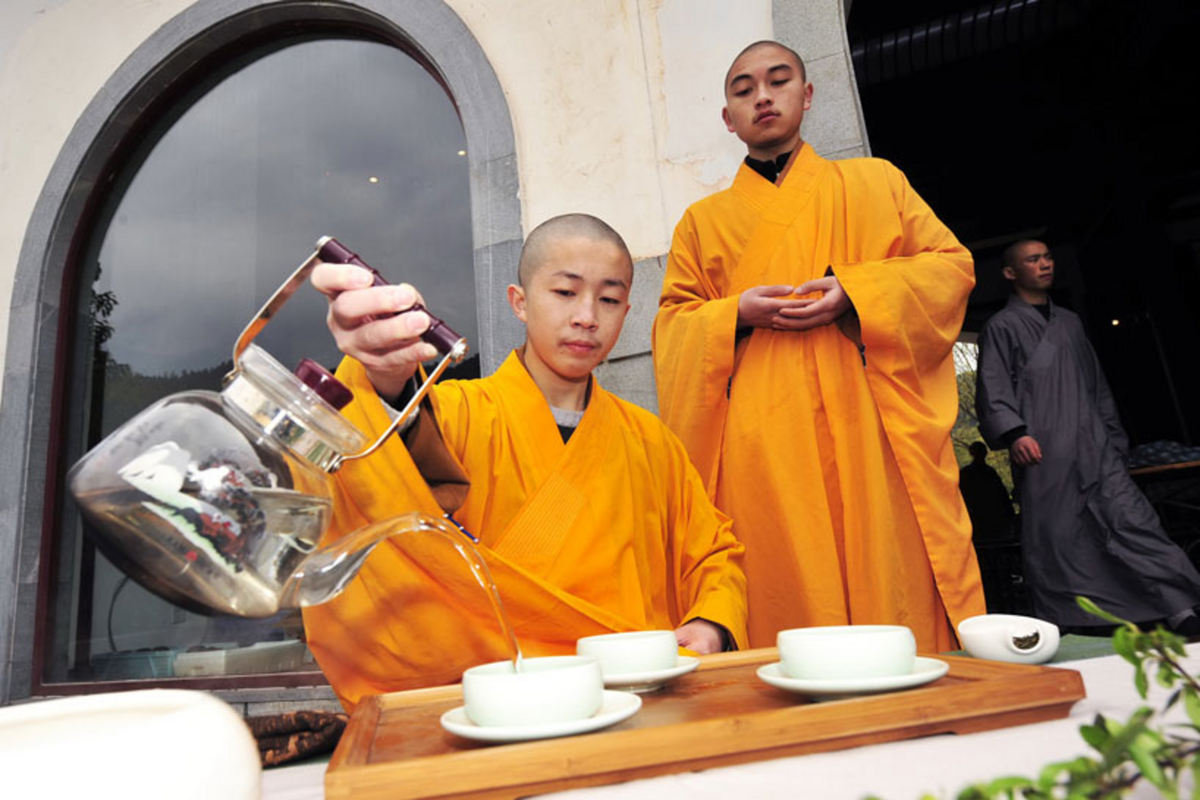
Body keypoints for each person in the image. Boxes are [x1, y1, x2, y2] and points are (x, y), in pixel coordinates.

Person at [302, 214, 748, 710]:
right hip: (499, 708)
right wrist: (386, 376)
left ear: (626, 310)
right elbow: (382, 468)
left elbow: (713, 553)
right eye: (564, 292)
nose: (586, 316)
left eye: (608, 298)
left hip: (634, 700)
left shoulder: (652, 442)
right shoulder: (459, 413)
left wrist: (712, 622)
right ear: (519, 301)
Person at [652, 40, 984, 652]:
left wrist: (856, 291)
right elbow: (673, 326)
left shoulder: (876, 182)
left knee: (888, 572)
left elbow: (952, 269)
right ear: (729, 117)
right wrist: (737, 314)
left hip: (870, 426)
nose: (763, 96)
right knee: (785, 582)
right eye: (744, 88)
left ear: (806, 96)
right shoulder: (701, 223)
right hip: (763, 442)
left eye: (778, 81)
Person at [975, 239, 1200, 632]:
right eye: (1033, 260)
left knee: (1133, 521)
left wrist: (1113, 437)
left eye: (1047, 257)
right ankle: (1071, 618)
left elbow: (1095, 386)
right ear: (1011, 273)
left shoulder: (1070, 322)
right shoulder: (1002, 326)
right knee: (1058, 535)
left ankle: (1179, 604)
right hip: (1043, 449)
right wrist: (1015, 434)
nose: (1045, 265)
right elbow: (993, 386)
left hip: (1095, 444)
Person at [959, 441, 1015, 544]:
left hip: (990, 517)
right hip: (978, 517)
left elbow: (1001, 494)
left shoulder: (987, 473)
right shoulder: (972, 473)